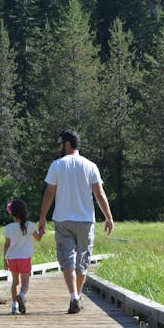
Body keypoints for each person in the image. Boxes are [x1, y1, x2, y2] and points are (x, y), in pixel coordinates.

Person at [38, 129, 114, 314]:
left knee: (67, 261)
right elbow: (99, 193)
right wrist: (109, 217)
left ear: (68, 144)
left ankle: (74, 296)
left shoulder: (57, 165)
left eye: (60, 144)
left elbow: (50, 193)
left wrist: (42, 217)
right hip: (86, 221)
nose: (59, 147)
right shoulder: (90, 166)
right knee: (82, 262)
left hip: (63, 220)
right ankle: (76, 297)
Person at [3, 198, 44, 315]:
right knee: (25, 282)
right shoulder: (30, 225)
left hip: (12, 258)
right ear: (25, 211)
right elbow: (38, 238)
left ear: (12, 213)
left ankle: (14, 306)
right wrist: (41, 230)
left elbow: (6, 245)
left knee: (15, 282)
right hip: (25, 258)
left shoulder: (8, 228)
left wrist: (4, 260)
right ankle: (21, 296)